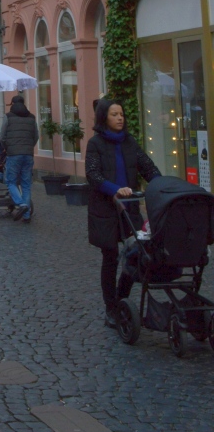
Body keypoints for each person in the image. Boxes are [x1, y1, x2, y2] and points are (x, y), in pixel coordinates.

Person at [85, 97, 160, 328]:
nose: (120, 118)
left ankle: (121, 298)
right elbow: (93, 174)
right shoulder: (95, 143)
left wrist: (161, 186)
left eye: (122, 114)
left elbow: (148, 168)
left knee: (133, 254)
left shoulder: (129, 142)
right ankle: (110, 307)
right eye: (115, 114)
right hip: (105, 209)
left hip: (130, 208)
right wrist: (115, 189)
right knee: (110, 257)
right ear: (104, 118)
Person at [1, 92, 39, 222]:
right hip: (28, 154)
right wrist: (29, 146)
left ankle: (21, 204)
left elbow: (2, 136)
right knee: (26, 184)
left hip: (13, 154)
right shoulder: (32, 117)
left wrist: (7, 147)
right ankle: (27, 215)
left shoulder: (8, 117)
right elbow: (36, 136)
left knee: (11, 181)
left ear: (12, 104)